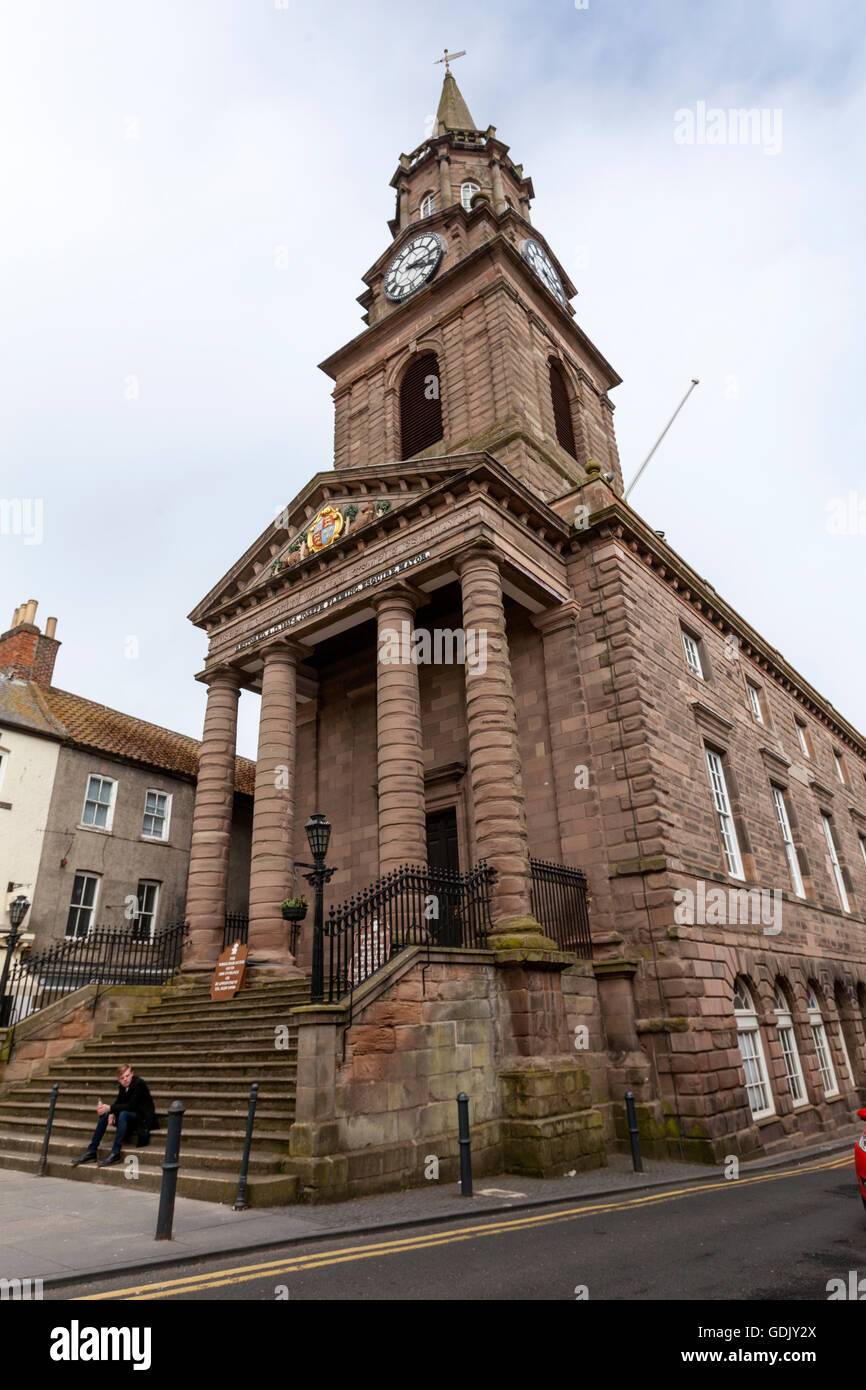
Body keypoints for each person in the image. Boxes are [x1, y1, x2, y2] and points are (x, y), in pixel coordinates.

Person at [71, 1064, 157, 1168]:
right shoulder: (123, 1087)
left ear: (132, 1074)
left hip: (142, 1119)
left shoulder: (139, 1084)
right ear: (118, 1080)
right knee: (105, 1114)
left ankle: (115, 1153)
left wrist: (111, 1109)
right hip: (129, 1118)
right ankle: (91, 1151)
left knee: (122, 1114)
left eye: (127, 1076)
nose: (125, 1079)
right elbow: (118, 1103)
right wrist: (111, 1113)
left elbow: (131, 1105)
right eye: (122, 1078)